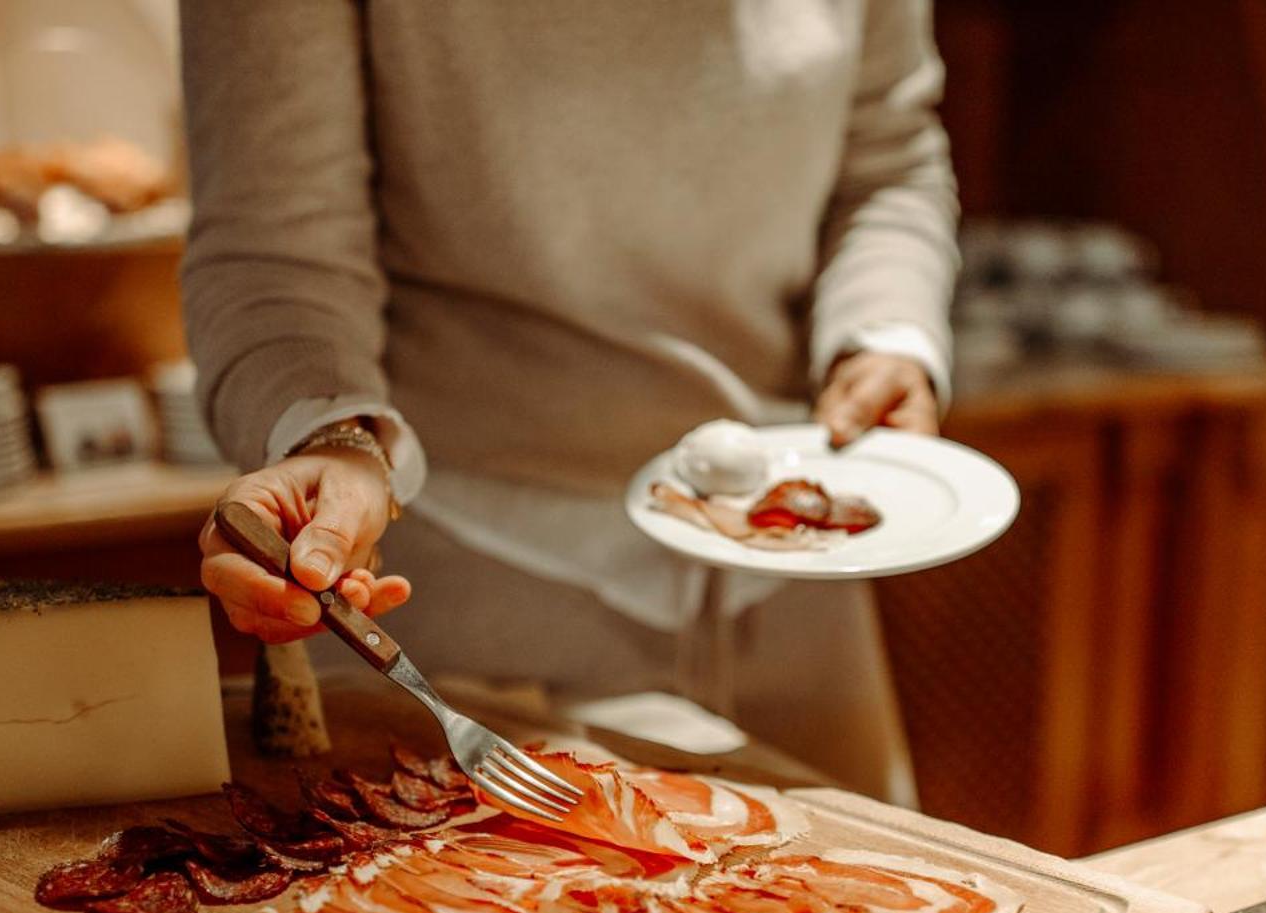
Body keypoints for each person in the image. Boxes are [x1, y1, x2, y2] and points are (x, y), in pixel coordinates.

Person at [182, 1, 957, 802]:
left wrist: (885, 333)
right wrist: (333, 434)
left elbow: (888, 162)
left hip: (788, 573)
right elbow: (273, 238)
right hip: (468, 592)